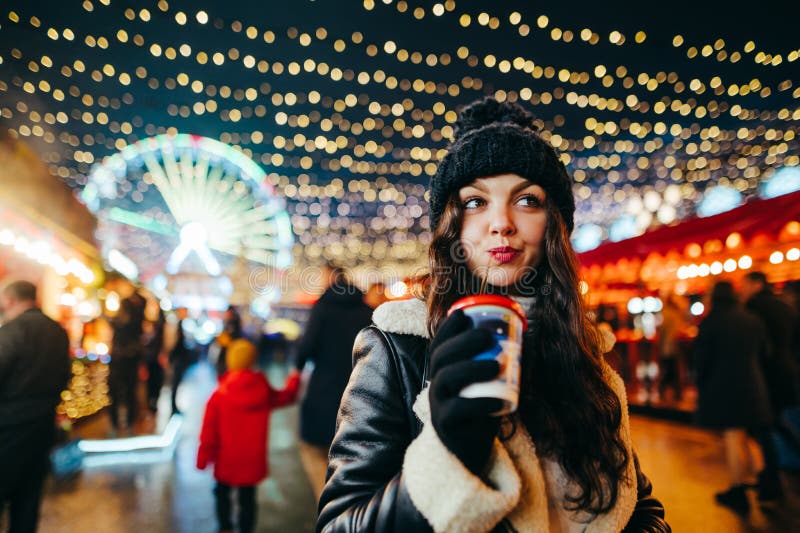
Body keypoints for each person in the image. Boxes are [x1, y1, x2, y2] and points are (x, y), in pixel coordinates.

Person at [316, 97, 669, 532]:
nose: (501, 222)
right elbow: (339, 524)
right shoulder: (398, 346)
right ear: (452, 225)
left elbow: (642, 505)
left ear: (553, 223)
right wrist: (449, 454)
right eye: (475, 202)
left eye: (526, 200)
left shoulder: (583, 349)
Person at [197, 339, 300, 533]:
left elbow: (209, 431)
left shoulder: (219, 395)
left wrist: (203, 458)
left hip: (225, 458)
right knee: (247, 499)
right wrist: (294, 379)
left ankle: (225, 527)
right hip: (251, 460)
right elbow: (286, 396)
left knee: (221, 493)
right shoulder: (262, 390)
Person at [295, 263, 373, 503]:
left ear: (330, 278)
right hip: (361, 396)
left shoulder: (322, 308)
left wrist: (297, 368)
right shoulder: (366, 310)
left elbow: (305, 349)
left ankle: (327, 506)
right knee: (351, 456)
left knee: (314, 450)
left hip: (324, 393)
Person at [692, 281, 772, 513]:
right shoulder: (751, 319)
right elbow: (765, 352)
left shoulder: (712, 322)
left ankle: (738, 488)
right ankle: (760, 479)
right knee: (748, 436)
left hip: (725, 387)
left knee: (733, 436)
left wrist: (701, 384)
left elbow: (701, 360)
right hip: (753, 383)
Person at [0, 281, 71, 532]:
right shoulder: (58, 331)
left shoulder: (11, 331)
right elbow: (66, 376)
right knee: (27, 504)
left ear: (9, 300)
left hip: (8, 430)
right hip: (42, 429)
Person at [740, 271, 798, 500]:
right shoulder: (785, 305)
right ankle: (771, 472)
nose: (743, 289)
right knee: (775, 421)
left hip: (763, 374)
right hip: (786, 370)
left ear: (756, 284)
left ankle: (770, 476)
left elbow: (756, 347)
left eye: (745, 284)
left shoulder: (753, 309)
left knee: (763, 425)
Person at [108, 289, 146, 435]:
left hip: (122, 361)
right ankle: (125, 423)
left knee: (120, 393)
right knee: (128, 392)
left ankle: (118, 424)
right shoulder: (137, 320)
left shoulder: (126, 322)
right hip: (128, 360)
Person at [657, 294, 688, 403]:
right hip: (675, 346)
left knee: (668, 371)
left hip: (667, 347)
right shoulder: (676, 314)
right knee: (673, 370)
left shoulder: (665, 314)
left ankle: (662, 392)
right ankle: (677, 394)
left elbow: (661, 331)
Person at [166, 307, 196, 415]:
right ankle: (173, 407)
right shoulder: (176, 325)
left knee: (177, 384)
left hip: (180, 359)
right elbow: (172, 344)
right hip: (177, 360)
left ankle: (174, 407)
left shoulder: (182, 325)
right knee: (174, 384)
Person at [142, 307, 166, 415]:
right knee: (149, 384)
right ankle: (149, 404)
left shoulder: (160, 327)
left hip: (156, 360)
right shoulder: (144, 326)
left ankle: (154, 403)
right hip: (148, 359)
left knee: (156, 382)